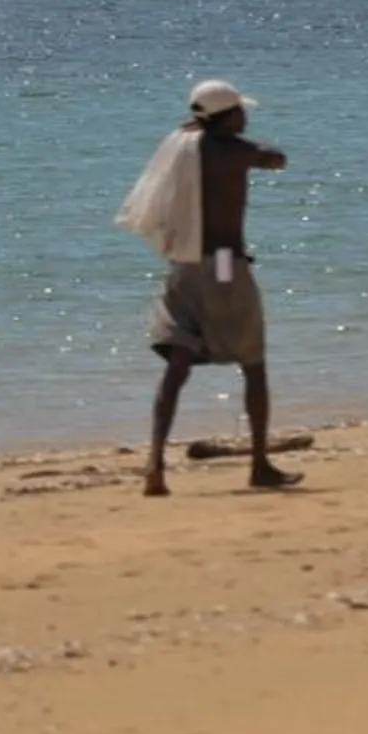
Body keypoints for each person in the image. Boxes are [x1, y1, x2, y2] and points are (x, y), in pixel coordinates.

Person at [137, 78, 298, 496]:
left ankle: (155, 464)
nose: (246, 117)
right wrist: (253, 147)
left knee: (178, 364)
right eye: (241, 112)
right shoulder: (232, 151)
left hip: (184, 263)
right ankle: (260, 465)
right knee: (253, 361)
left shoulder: (183, 146)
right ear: (227, 116)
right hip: (224, 263)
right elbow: (275, 159)